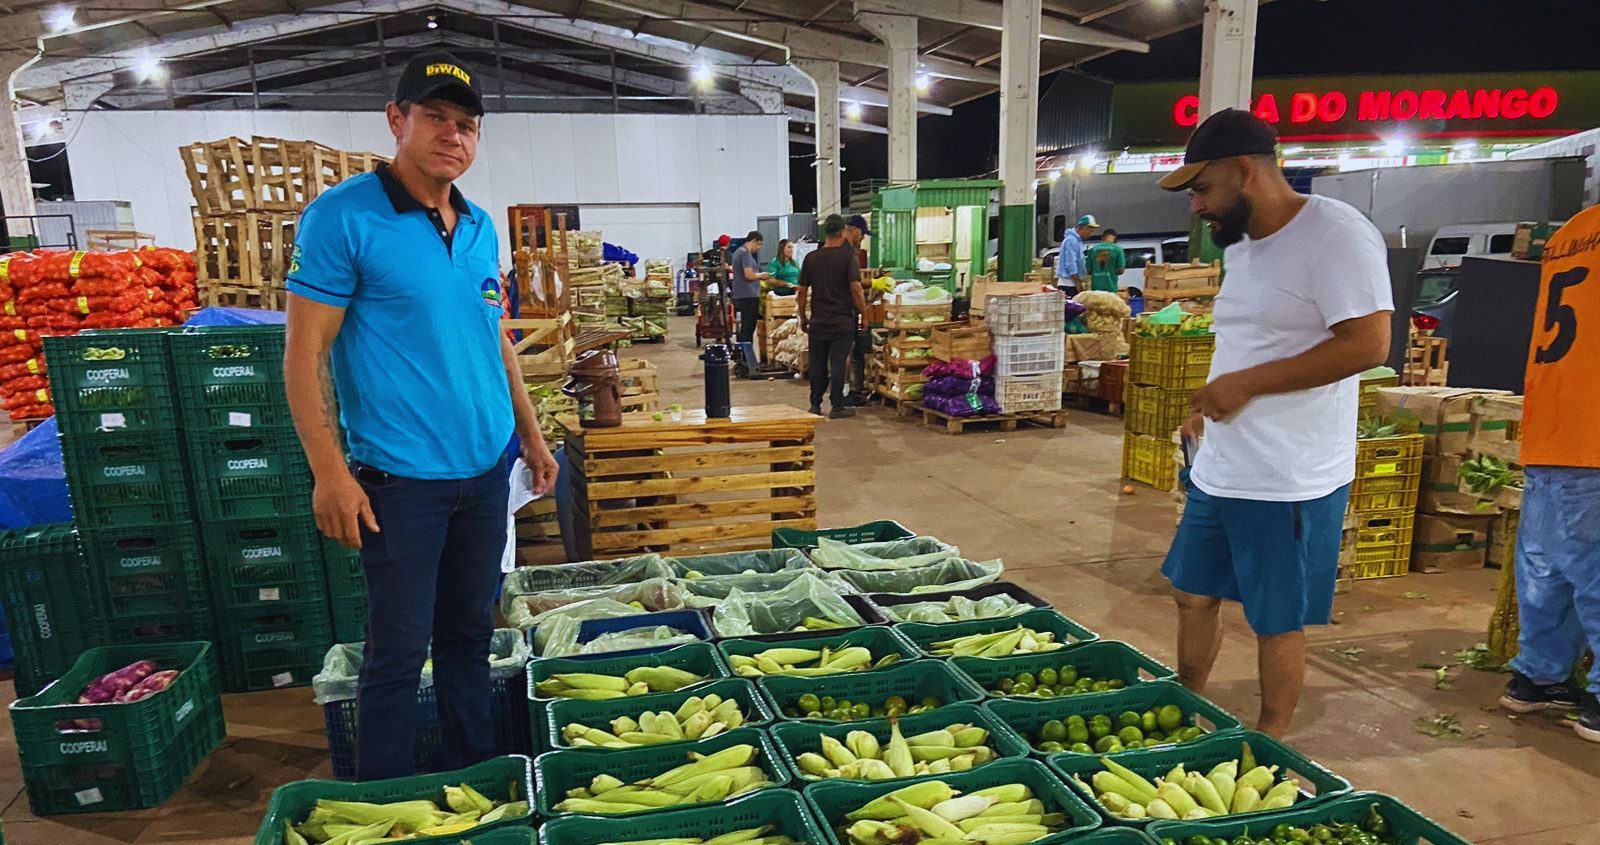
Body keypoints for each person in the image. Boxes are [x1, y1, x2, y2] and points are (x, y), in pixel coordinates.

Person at [282, 52, 559, 780]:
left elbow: (493, 337)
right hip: (401, 481)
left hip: (484, 471)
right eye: (435, 117)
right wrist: (329, 473)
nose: (453, 136)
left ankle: (475, 777)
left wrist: (528, 434)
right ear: (397, 120)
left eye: (466, 125)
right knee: (399, 648)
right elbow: (305, 354)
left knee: (469, 632)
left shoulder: (478, 228)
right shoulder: (344, 217)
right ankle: (388, 796)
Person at [1155, 108, 1393, 737]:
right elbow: (1247, 342)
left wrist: (1246, 386)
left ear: (1243, 171)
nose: (1197, 206)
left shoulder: (1336, 234)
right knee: (1193, 593)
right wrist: (1207, 407)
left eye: (1202, 189)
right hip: (1225, 464)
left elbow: (1368, 345)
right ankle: (1189, 709)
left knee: (1275, 617)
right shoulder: (1246, 247)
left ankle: (1271, 741)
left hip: (1289, 475)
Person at [1495, 208, 1600, 741]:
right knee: (1594, 572)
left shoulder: (1570, 233)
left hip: (1552, 428)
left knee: (1550, 570)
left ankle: (1537, 680)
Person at [797, 214, 869, 419]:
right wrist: (864, 314)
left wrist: (803, 317)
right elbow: (856, 288)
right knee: (838, 363)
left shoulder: (812, 258)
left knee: (817, 364)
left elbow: (801, 292)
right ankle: (837, 406)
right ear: (842, 232)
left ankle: (815, 405)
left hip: (818, 321)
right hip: (842, 322)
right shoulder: (848, 258)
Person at [842, 214, 875, 403]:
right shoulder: (848, 254)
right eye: (862, 233)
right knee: (846, 351)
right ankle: (844, 394)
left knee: (841, 352)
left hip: (831, 311)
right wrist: (865, 314)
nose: (863, 238)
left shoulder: (828, 252)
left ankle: (843, 392)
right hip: (845, 311)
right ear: (854, 229)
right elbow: (855, 286)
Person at [729, 230, 770, 347]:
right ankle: (746, 358)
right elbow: (749, 275)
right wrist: (761, 276)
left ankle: (743, 357)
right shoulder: (745, 253)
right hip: (748, 295)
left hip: (743, 294)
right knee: (748, 327)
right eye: (759, 244)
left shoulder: (738, 252)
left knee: (746, 327)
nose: (759, 248)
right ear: (753, 241)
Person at [1056, 214, 1099, 293]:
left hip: (1072, 283)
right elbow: (1070, 264)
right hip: (1068, 285)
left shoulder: (1077, 241)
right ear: (1084, 227)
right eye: (1090, 232)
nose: (1090, 235)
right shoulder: (1071, 241)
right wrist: (1078, 285)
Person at [1085, 228, 1127, 293]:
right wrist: (1113, 272)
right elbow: (1121, 270)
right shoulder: (1118, 249)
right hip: (1111, 287)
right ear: (1115, 237)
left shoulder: (1093, 249)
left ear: (1103, 237)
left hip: (1096, 288)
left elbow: (1089, 270)